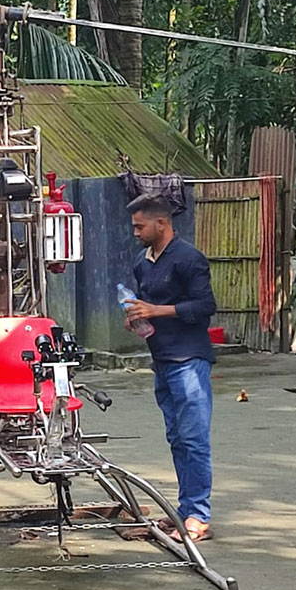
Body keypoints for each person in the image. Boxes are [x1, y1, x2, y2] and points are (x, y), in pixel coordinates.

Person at [123, 193, 218, 542]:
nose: (135, 232)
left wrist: (155, 311)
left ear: (161, 223)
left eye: (140, 225)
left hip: (189, 360)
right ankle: (185, 510)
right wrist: (135, 316)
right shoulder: (143, 262)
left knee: (194, 439)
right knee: (177, 438)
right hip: (162, 359)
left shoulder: (189, 258)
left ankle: (199, 516)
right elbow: (144, 304)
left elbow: (205, 306)